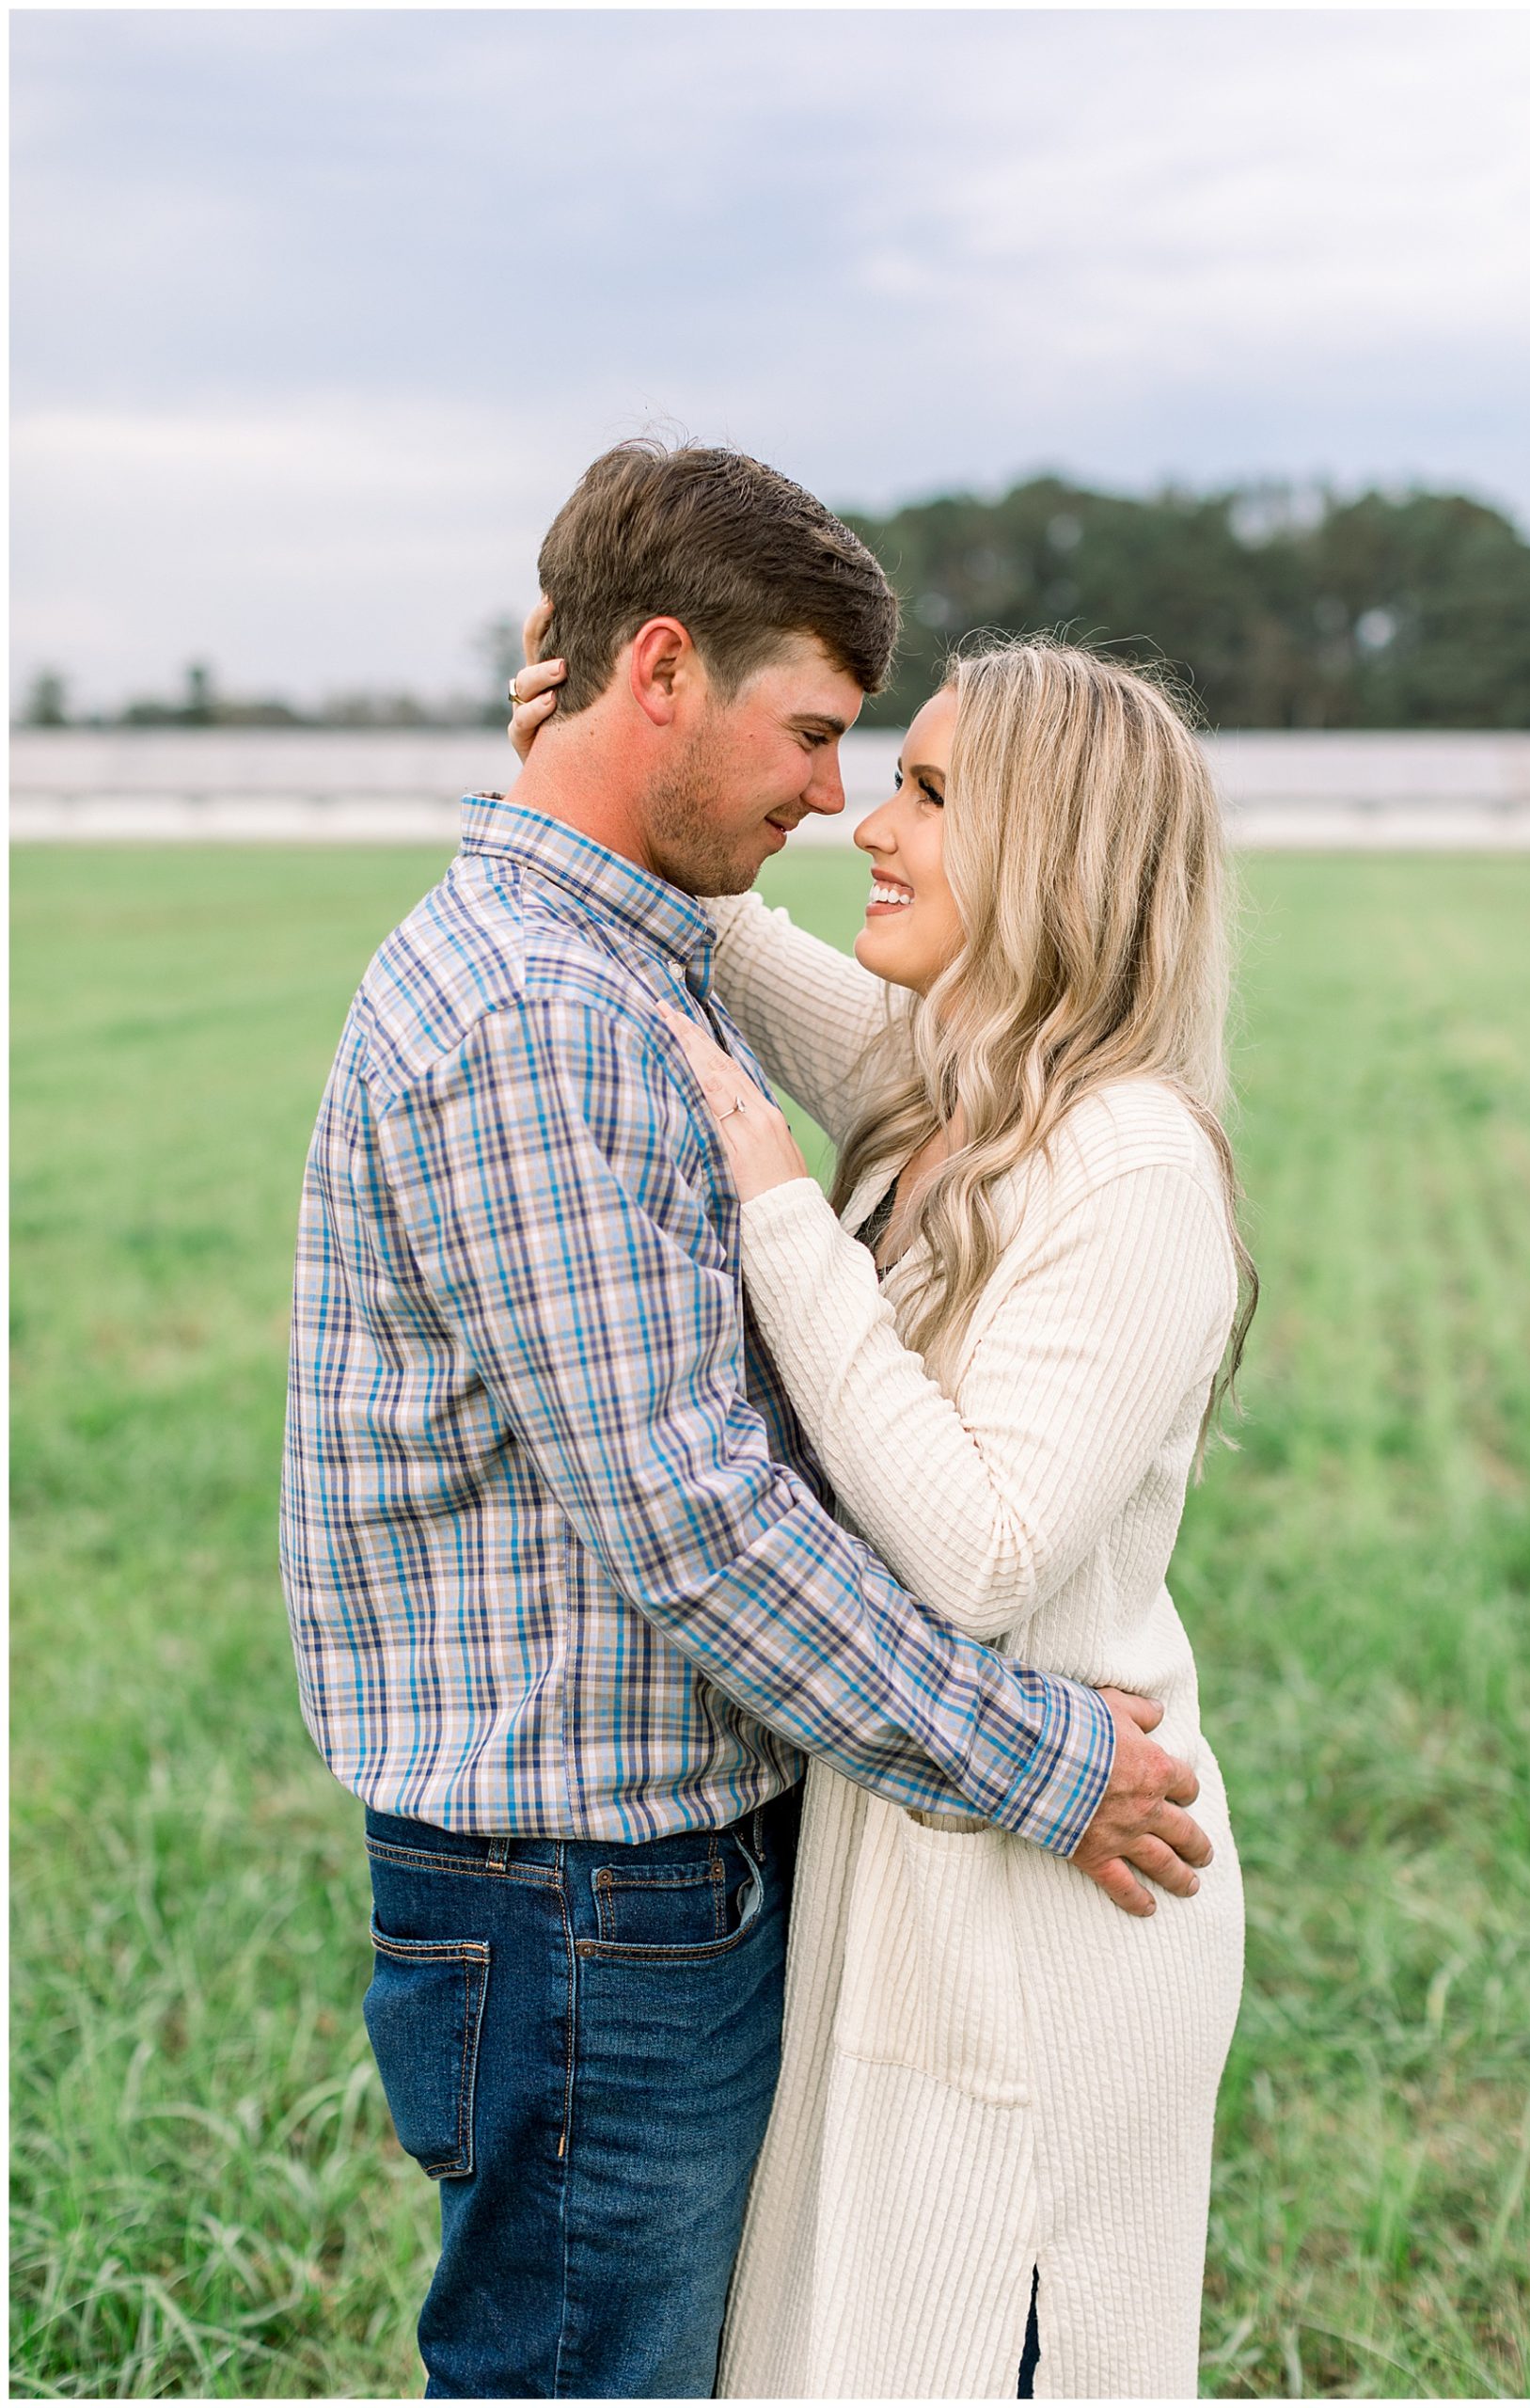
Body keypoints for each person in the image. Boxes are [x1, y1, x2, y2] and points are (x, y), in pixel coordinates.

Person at [280, 439, 1213, 2402]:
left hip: (688, 1874)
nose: (833, 800)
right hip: (583, 1888)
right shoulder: (547, 1013)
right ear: (662, 673)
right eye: (813, 736)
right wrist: (1038, 1760)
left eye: (903, 777)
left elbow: (755, 969)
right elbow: (698, 1519)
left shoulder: (1008, 1106)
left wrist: (573, 805)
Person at [513, 626, 1255, 2400]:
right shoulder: (971, 1091)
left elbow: (980, 1556)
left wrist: (783, 1219)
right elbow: (728, 937)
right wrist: (595, 748)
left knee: (984, 2335)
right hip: (941, 1844)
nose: (868, 823)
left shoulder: (1127, 1159)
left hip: (1049, 1913)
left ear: (1049, 849)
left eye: (923, 791)